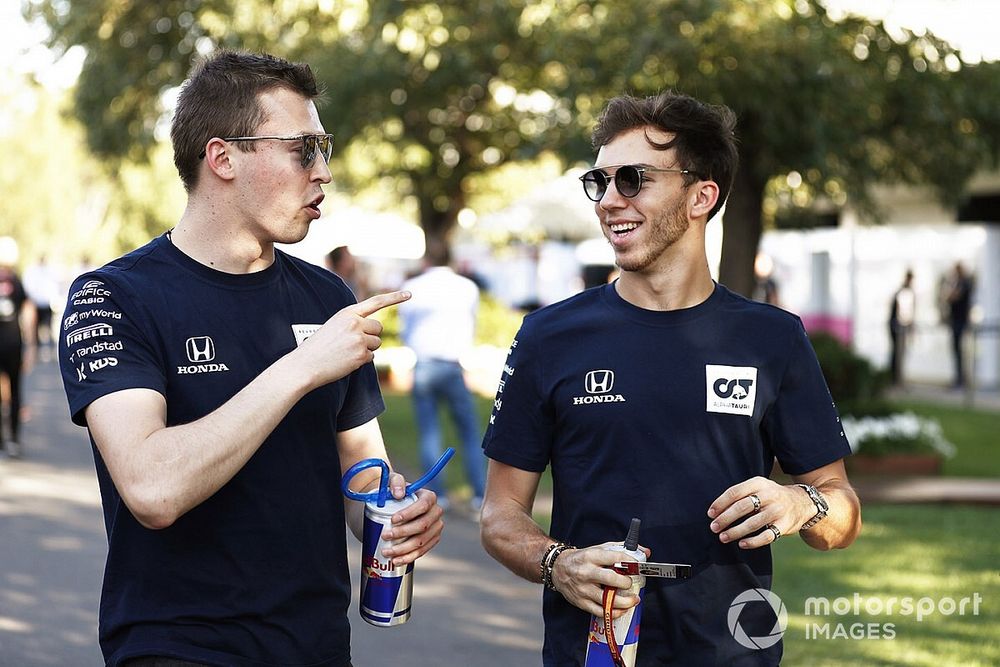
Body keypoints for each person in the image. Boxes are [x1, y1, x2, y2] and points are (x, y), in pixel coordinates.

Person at [58, 50, 443, 667]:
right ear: (223, 158)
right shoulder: (114, 297)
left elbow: (363, 473)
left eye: (325, 149)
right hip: (177, 645)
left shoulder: (326, 296)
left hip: (314, 643)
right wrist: (301, 366)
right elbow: (152, 489)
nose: (323, 172)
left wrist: (395, 510)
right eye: (302, 149)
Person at [479, 91, 862, 666]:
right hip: (595, 648)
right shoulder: (547, 336)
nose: (609, 200)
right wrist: (560, 564)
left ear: (700, 196)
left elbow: (842, 510)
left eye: (632, 179)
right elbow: (500, 516)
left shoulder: (773, 338)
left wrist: (797, 504)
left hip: (733, 647)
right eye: (600, 181)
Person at [398, 238, 486, 512]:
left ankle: (438, 494)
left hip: (424, 364)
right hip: (452, 364)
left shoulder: (412, 288)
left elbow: (406, 327)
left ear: (426, 260)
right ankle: (479, 494)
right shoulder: (467, 287)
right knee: (470, 432)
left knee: (429, 432)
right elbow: (471, 325)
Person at [0, 237, 35, 458]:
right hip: (14, 344)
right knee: (14, 393)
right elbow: (28, 312)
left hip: (10, 345)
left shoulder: (16, 280)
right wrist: (31, 345)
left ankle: (6, 441)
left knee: (10, 393)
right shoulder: (16, 280)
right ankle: (11, 439)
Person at [23, 254, 61, 362]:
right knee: (36, 329)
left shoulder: (49, 270)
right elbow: (29, 285)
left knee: (49, 327)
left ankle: (50, 351)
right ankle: (37, 353)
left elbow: (54, 285)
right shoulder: (32, 271)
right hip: (37, 302)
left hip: (46, 302)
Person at [944, 262, 974, 388]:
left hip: (960, 321)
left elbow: (952, 297)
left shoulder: (963, 283)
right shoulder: (959, 283)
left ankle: (961, 380)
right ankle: (959, 378)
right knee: (957, 351)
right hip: (956, 321)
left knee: (960, 351)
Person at [888, 269, 916, 387]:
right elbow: (904, 312)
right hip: (898, 326)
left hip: (898, 325)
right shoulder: (904, 291)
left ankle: (895, 377)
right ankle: (896, 378)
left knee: (898, 352)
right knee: (897, 352)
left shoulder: (903, 290)